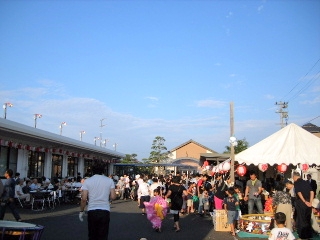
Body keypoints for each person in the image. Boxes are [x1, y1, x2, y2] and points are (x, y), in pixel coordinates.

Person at [79, 160, 116, 240]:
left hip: (92, 210)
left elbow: (84, 199)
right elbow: (113, 196)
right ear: (104, 170)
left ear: (92, 170)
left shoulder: (87, 181)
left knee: (92, 235)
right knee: (103, 235)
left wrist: (81, 211)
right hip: (105, 210)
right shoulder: (109, 180)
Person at [293, 171, 314, 239]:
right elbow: (312, 192)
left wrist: (304, 201)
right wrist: (310, 202)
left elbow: (299, 192)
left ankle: (302, 235)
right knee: (308, 219)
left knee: (301, 219)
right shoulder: (306, 182)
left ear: (295, 177)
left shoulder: (296, 183)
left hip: (301, 202)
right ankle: (309, 235)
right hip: (309, 202)